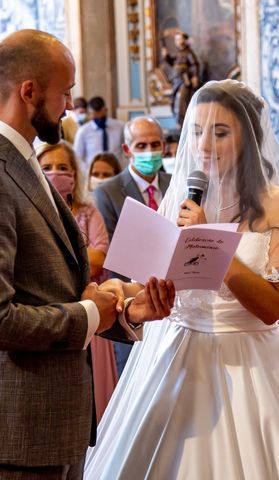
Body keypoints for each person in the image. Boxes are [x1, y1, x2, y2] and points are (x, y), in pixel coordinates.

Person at [0, 29, 175, 479]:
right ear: (30, 91)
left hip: (57, 419)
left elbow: (52, 287)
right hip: (19, 427)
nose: (69, 104)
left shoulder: (25, 162)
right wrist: (90, 314)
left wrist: (125, 309)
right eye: (65, 92)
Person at [85, 80, 279, 479]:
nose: (203, 144)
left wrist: (209, 243)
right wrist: (133, 291)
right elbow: (158, 278)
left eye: (220, 132)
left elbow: (273, 308)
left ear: (250, 138)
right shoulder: (183, 200)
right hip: (175, 350)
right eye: (197, 130)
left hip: (249, 361)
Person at [36, 140, 118, 421]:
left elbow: (100, 257)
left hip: (91, 310)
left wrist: (55, 260)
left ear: (74, 174)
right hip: (51, 312)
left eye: (62, 168)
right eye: (46, 167)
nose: (55, 173)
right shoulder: (31, 213)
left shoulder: (87, 211)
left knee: (96, 397)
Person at [93, 116, 171, 375]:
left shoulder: (175, 183)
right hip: (133, 299)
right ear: (127, 150)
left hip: (174, 300)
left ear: (164, 145)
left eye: (155, 144)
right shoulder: (108, 192)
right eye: (141, 146)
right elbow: (117, 252)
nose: (149, 152)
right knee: (135, 378)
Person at [161, 31, 200, 129]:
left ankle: (182, 122)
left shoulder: (189, 53)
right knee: (174, 100)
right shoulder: (178, 53)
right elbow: (172, 63)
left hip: (184, 80)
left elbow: (195, 64)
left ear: (184, 40)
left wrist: (195, 76)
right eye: (176, 39)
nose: (177, 41)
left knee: (181, 100)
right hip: (176, 80)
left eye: (179, 39)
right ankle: (178, 120)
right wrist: (166, 56)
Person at [73, 96, 125, 169]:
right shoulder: (83, 131)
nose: (99, 119)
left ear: (105, 110)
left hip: (116, 171)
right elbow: (77, 156)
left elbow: (126, 151)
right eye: (95, 116)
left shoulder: (120, 127)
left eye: (101, 115)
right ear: (89, 113)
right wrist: (87, 172)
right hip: (93, 172)